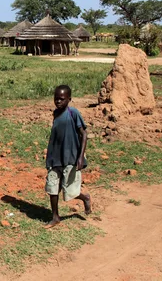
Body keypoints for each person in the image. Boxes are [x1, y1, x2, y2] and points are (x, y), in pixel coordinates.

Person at [44, 84, 92, 228]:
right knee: (52, 187)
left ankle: (85, 198)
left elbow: (84, 134)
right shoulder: (55, 114)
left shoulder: (73, 113)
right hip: (55, 158)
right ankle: (55, 217)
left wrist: (80, 157)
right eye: (56, 99)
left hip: (70, 157)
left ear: (69, 99)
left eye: (62, 99)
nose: (58, 101)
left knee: (69, 191)